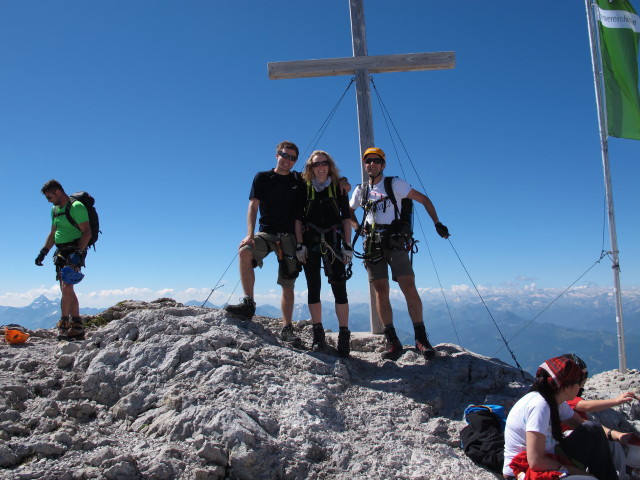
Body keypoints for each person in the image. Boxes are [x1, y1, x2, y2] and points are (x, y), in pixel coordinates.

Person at [348, 147, 449, 361]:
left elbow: (424, 200)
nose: (372, 164)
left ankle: (421, 338)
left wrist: (437, 223)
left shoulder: (395, 184)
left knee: (408, 287)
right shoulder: (361, 191)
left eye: (376, 161)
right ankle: (392, 341)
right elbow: (348, 212)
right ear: (365, 165)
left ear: (383, 165)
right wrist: (358, 228)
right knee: (381, 291)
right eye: (368, 161)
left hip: (395, 242)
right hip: (373, 244)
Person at [225, 141, 305, 343]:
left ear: (296, 161)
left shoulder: (299, 181)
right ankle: (248, 303)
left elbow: (322, 177)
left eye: (292, 158)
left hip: (289, 235)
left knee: (288, 282)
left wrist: (344, 182)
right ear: (276, 155)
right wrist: (250, 235)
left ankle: (287, 328)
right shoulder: (262, 177)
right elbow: (253, 206)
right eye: (284, 155)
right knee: (245, 251)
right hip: (266, 233)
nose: (287, 160)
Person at [503, 355, 629, 480]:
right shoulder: (540, 406)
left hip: (550, 457)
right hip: (522, 472)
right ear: (567, 387)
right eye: (579, 383)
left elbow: (583, 425)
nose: (581, 387)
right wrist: (574, 471)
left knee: (593, 429)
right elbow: (535, 461)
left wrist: (615, 434)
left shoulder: (555, 400)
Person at [295, 150, 353, 357]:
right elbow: (298, 219)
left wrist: (348, 244)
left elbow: (346, 218)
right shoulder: (304, 188)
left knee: (340, 287)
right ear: (310, 168)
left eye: (324, 163)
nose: (320, 167)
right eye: (315, 164)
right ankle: (318, 334)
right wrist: (299, 244)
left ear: (329, 165)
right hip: (310, 243)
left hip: (334, 243)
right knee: (313, 287)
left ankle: (344, 335)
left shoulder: (339, 188)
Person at [561, 353, 638, 480]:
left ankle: (621, 476)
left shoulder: (569, 396)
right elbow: (585, 406)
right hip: (568, 438)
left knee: (613, 443)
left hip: (580, 434)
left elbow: (584, 423)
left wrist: (615, 435)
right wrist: (616, 401)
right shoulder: (566, 397)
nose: (585, 379)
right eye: (583, 376)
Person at [35, 180, 91, 340]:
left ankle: (65, 324)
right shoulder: (55, 210)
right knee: (66, 289)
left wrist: (79, 253)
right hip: (61, 253)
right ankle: (77, 327)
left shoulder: (76, 207)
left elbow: (87, 232)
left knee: (67, 287)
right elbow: (53, 233)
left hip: (74, 249)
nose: (48, 200)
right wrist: (43, 251)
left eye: (49, 196)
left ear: (58, 192)